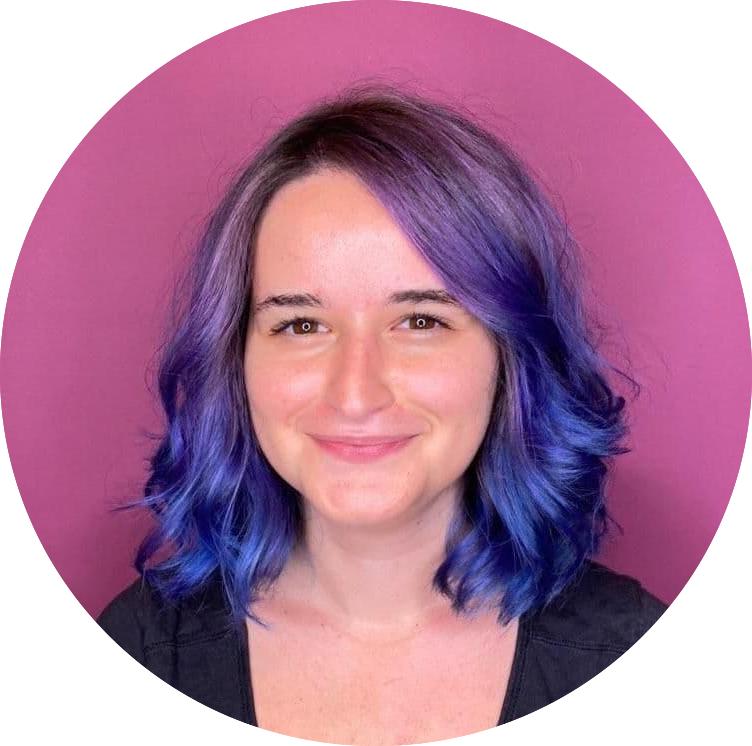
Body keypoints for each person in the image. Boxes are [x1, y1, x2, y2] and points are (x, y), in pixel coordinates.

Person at [97, 82, 668, 740]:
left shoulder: (623, 643)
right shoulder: (145, 648)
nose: (356, 392)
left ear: (511, 358)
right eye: (302, 325)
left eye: (420, 320)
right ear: (237, 362)